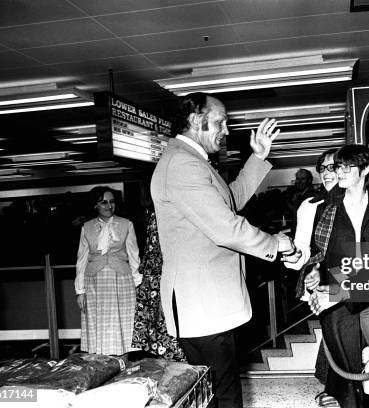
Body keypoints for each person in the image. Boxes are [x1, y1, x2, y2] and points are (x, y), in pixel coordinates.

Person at [150, 92, 294, 408]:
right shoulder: (182, 165)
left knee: (216, 390)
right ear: (194, 120)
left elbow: (229, 200)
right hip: (202, 303)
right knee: (223, 393)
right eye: (220, 121)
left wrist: (257, 157)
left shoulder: (192, 162)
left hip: (208, 302)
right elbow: (225, 226)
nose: (226, 130)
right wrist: (273, 244)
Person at [303, 144, 369, 408]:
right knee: (347, 375)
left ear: (365, 170)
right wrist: (314, 271)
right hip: (339, 303)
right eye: (337, 166)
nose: (339, 171)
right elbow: (319, 252)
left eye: (346, 166)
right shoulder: (327, 208)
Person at [282, 148, 340, 407]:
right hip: (322, 281)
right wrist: (292, 257)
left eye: (334, 167)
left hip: (355, 278)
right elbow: (303, 248)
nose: (328, 173)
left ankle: (342, 387)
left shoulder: (365, 202)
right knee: (332, 330)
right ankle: (337, 386)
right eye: (323, 168)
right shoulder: (311, 205)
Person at [75, 186, 142, 355]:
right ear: (95, 205)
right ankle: (101, 365)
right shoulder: (86, 227)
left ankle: (124, 365)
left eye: (111, 202)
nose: (109, 206)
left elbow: (134, 256)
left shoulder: (127, 224)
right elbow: (82, 260)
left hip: (122, 280)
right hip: (94, 282)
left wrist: (138, 285)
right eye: (103, 202)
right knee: (100, 325)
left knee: (122, 325)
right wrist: (80, 291)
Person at [132, 208, 185, 361]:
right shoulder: (154, 214)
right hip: (154, 276)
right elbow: (150, 247)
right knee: (155, 325)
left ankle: (179, 361)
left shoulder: (176, 210)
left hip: (170, 274)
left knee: (170, 323)